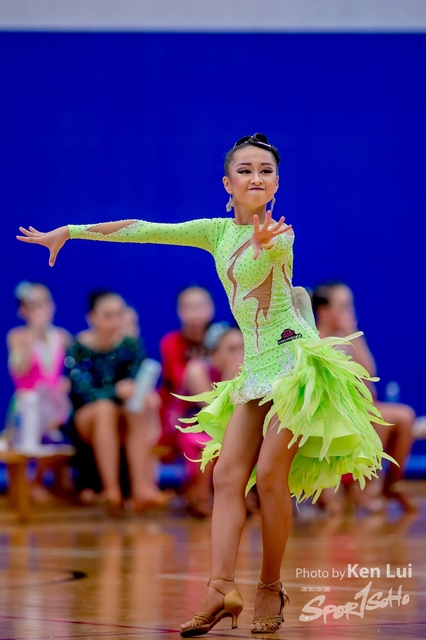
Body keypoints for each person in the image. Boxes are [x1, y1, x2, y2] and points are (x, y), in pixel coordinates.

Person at [17, 132, 392, 635]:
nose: (256, 177)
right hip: (254, 373)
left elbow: (269, 254)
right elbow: (142, 230)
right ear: (227, 184)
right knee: (225, 477)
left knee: (271, 476)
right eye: (245, 170)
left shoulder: (281, 234)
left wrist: (264, 242)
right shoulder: (213, 232)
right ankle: (220, 589)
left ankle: (270, 587)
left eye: (265, 170)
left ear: (277, 183)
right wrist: (70, 230)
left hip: (297, 369)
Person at [312, 281, 416, 512]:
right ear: (324, 311)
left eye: (350, 306)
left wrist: (353, 335)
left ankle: (392, 484)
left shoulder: (348, 340)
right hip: (328, 415)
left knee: (404, 416)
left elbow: (370, 375)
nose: (350, 313)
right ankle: (359, 487)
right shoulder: (316, 342)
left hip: (354, 409)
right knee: (376, 418)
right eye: (343, 306)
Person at [64, 290, 166, 514]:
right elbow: (82, 392)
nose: (114, 322)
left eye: (119, 314)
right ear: (92, 317)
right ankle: (111, 490)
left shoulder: (131, 345)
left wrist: (144, 394)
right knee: (104, 409)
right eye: (107, 315)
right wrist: (116, 391)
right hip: (87, 419)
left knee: (137, 407)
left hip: (123, 417)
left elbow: (138, 382)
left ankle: (142, 488)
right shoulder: (78, 347)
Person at [6, 281, 72, 501]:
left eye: (45, 303)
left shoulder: (62, 337)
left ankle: (44, 479)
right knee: (32, 405)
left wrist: (66, 384)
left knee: (61, 425)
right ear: (23, 310)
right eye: (34, 305)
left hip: (55, 407)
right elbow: (19, 369)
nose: (42, 309)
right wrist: (33, 333)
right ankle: (30, 482)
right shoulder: (18, 337)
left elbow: (72, 372)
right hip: (27, 406)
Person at [178, 324, 245, 517]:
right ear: (214, 352)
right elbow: (213, 411)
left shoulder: (250, 373)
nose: (239, 355)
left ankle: (243, 498)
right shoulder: (197, 369)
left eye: (243, 348)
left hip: (229, 428)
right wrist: (229, 380)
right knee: (207, 444)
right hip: (193, 427)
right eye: (231, 349)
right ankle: (201, 497)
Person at [158, 286, 214, 460]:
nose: (194, 313)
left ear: (211, 308)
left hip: (213, 407)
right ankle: (223, 422)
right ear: (179, 311)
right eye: (188, 307)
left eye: (200, 306)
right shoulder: (171, 342)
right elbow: (181, 379)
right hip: (184, 413)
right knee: (195, 370)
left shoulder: (223, 340)